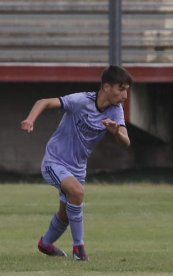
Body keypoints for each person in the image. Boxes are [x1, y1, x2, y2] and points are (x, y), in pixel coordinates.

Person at [21, 65, 133, 261]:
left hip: (78, 168)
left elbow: (126, 141)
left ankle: (45, 243)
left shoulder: (116, 110)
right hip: (54, 161)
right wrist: (30, 119)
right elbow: (44, 102)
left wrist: (116, 132)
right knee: (78, 193)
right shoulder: (81, 101)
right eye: (121, 88)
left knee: (66, 213)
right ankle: (79, 250)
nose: (125, 95)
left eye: (127, 90)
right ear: (107, 87)